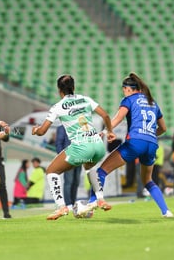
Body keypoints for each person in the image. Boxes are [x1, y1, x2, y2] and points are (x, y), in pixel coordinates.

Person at [81, 73, 174, 217]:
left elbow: (118, 117)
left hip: (135, 142)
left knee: (101, 172)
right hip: (152, 143)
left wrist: (106, 131)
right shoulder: (152, 102)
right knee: (147, 180)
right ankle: (166, 211)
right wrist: (148, 135)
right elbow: (163, 128)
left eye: (123, 89)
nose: (123, 92)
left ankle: (91, 205)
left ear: (128, 89)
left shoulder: (129, 100)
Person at [32, 74, 116, 220]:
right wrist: (109, 131)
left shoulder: (58, 107)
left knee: (51, 172)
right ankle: (100, 198)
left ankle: (61, 207)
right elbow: (106, 115)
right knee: (89, 167)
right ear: (74, 87)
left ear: (59, 91)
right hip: (98, 145)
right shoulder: (85, 99)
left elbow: (42, 131)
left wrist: (36, 130)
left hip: (81, 147)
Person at [55, 125, 82, 211]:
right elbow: (58, 143)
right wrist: (63, 157)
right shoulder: (62, 128)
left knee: (76, 182)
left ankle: (73, 203)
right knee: (68, 181)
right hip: (68, 158)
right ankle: (68, 204)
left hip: (79, 157)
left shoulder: (79, 127)